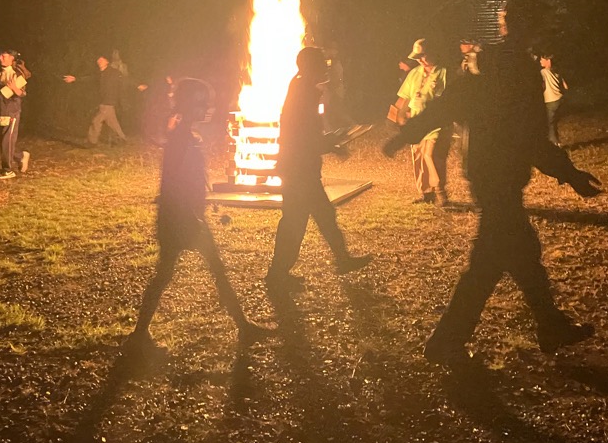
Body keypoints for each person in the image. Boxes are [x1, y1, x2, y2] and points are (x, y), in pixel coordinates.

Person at [383, 0, 602, 364]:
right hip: (498, 176)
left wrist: (407, 133)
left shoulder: (487, 64)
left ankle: (550, 325)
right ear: (530, 25)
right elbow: (529, 134)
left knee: (522, 254)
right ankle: (447, 340)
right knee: (488, 264)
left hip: (490, 174)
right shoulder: (513, 68)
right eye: (542, 21)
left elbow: (450, 103)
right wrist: (570, 174)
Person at [126, 78, 271, 352]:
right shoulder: (181, 138)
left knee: (177, 273)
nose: (209, 107)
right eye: (203, 102)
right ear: (190, 104)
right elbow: (175, 181)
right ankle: (242, 326)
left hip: (180, 217)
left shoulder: (185, 135)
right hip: (181, 219)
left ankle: (140, 333)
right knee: (187, 273)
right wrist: (191, 214)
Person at [265, 47, 372, 290]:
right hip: (298, 169)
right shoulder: (303, 93)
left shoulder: (302, 89)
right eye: (320, 64)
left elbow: (306, 133)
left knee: (321, 215)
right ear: (308, 67)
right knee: (296, 221)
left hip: (300, 168)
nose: (325, 67)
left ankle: (340, 260)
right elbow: (302, 135)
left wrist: (331, 141)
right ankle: (276, 275)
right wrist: (333, 144)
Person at [395, 49, 448, 204]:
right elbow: (405, 97)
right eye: (418, 58)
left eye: (423, 56)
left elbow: (446, 98)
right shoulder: (414, 73)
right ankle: (426, 193)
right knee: (418, 156)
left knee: (430, 155)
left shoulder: (443, 72)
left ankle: (440, 192)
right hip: (416, 122)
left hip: (435, 122)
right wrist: (398, 115)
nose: (421, 60)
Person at [0, 49, 30, 180]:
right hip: (1, 110)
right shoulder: (0, 73)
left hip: (12, 110)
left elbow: (22, 93)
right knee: (0, 140)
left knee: (7, 140)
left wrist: (14, 89)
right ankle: (20, 156)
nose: (0, 57)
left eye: (4, 56)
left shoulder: (16, 74)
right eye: (0, 55)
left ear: (12, 58)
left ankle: (7, 170)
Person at [76, 56, 127, 146]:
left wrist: (137, 85)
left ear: (107, 61)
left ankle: (92, 141)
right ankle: (122, 139)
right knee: (112, 122)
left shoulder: (114, 73)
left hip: (108, 101)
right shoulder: (100, 74)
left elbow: (124, 82)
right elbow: (90, 78)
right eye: (98, 60)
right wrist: (75, 79)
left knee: (96, 121)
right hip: (104, 101)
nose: (99, 61)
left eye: (101, 60)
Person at [540, 53, 568, 146]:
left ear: (548, 61)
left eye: (542, 59)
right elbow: (566, 87)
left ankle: (554, 142)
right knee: (554, 121)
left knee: (550, 123)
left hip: (550, 100)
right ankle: (557, 140)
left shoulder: (543, 72)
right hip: (559, 99)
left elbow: (542, 85)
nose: (540, 61)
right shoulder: (557, 71)